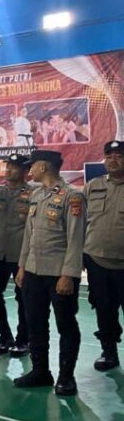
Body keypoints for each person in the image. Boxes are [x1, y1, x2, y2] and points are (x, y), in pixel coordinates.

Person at [14, 150, 85, 396]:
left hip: (58, 273)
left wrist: (68, 274)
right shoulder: (36, 194)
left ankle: (66, 377)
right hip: (33, 271)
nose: (29, 170)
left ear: (43, 167)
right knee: (35, 323)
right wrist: (22, 266)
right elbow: (29, 234)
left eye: (32, 166)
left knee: (66, 324)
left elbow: (76, 239)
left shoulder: (72, 196)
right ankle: (40, 372)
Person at [0, 153, 35, 357]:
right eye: (8, 166)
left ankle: (23, 339)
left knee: (24, 298)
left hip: (21, 255)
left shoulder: (33, 193)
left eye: (14, 167)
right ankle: (5, 336)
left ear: (25, 171)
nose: (9, 169)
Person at [83, 140, 124, 373]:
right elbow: (80, 221)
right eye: (109, 156)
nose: (112, 160)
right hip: (97, 260)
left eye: (118, 156)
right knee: (103, 309)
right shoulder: (93, 186)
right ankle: (109, 352)